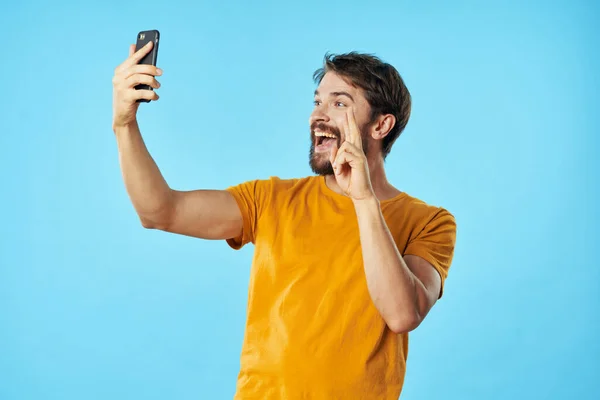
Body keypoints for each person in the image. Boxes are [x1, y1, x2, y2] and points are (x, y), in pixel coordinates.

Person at [112, 41, 457, 399]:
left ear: (381, 125)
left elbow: (403, 315)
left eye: (339, 103)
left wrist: (364, 198)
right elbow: (159, 211)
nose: (318, 116)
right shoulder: (272, 199)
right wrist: (124, 124)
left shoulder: (429, 222)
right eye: (317, 102)